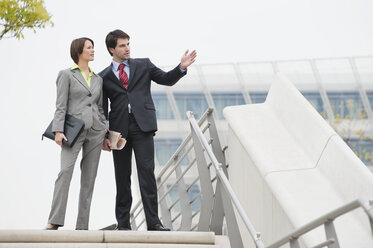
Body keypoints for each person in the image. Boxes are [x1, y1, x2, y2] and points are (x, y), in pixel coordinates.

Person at [99, 29, 197, 231]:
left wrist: (181, 67)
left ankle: (153, 222)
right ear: (111, 49)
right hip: (118, 132)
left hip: (143, 127)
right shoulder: (104, 77)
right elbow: (102, 109)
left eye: (128, 44)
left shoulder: (143, 64)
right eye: (122, 45)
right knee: (122, 177)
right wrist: (104, 136)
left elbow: (166, 78)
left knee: (147, 174)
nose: (127, 48)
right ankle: (123, 224)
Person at [45, 37, 108, 230]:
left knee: (89, 179)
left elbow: (100, 107)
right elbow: (60, 105)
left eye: (93, 47)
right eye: (89, 47)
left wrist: (105, 129)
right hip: (72, 132)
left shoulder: (99, 79)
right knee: (65, 172)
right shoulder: (66, 75)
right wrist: (58, 130)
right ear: (79, 51)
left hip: (96, 132)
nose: (93, 50)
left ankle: (82, 226)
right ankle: (54, 220)